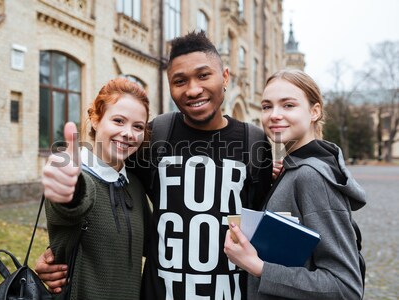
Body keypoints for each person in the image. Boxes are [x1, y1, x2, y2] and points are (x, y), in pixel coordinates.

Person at [36, 31, 273, 299]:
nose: (193, 89)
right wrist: (60, 249)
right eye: (180, 81)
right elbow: (95, 189)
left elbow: (264, 221)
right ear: (170, 86)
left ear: (225, 77)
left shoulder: (254, 141)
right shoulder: (157, 135)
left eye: (204, 75)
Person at [224, 69, 366, 299]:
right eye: (267, 106)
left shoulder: (312, 177)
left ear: (314, 111)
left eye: (288, 105)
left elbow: (345, 287)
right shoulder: (293, 170)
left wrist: (257, 267)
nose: (274, 115)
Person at [42, 78, 151, 299]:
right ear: (94, 119)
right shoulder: (78, 178)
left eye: (138, 126)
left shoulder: (135, 187)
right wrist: (69, 187)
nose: (129, 133)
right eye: (118, 121)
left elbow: (152, 246)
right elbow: (74, 202)